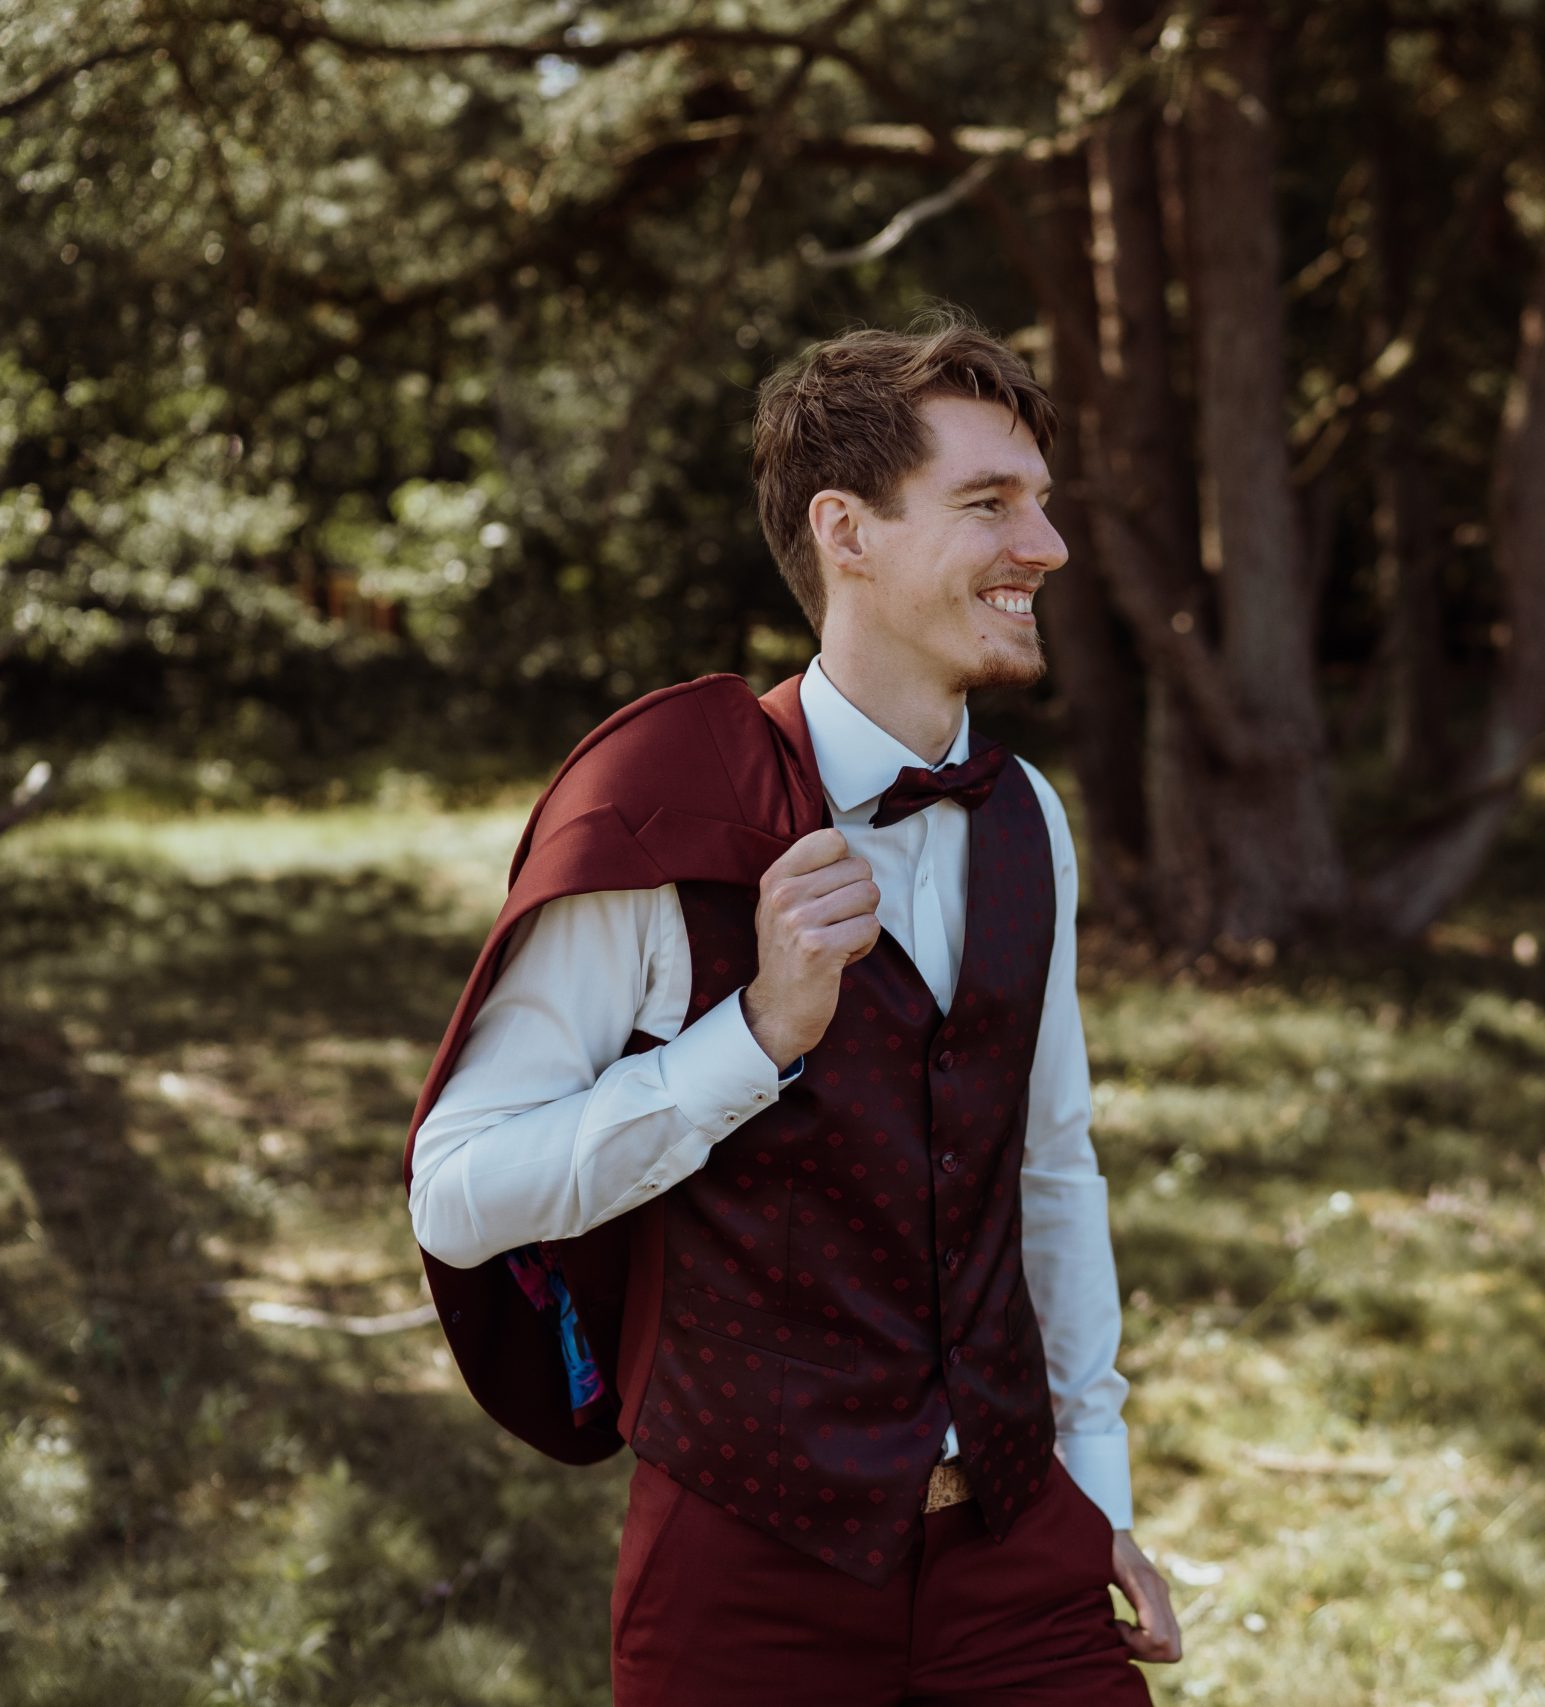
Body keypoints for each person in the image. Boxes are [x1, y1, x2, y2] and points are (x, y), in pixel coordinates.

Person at [407, 308, 1181, 1702]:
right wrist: (753, 1036)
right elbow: (457, 1196)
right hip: (745, 1572)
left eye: (1041, 502)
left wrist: (1098, 1489)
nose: (1047, 545)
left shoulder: (1027, 817)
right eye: (989, 504)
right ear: (847, 531)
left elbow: (1051, 1171)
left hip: (1016, 1548)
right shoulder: (657, 810)